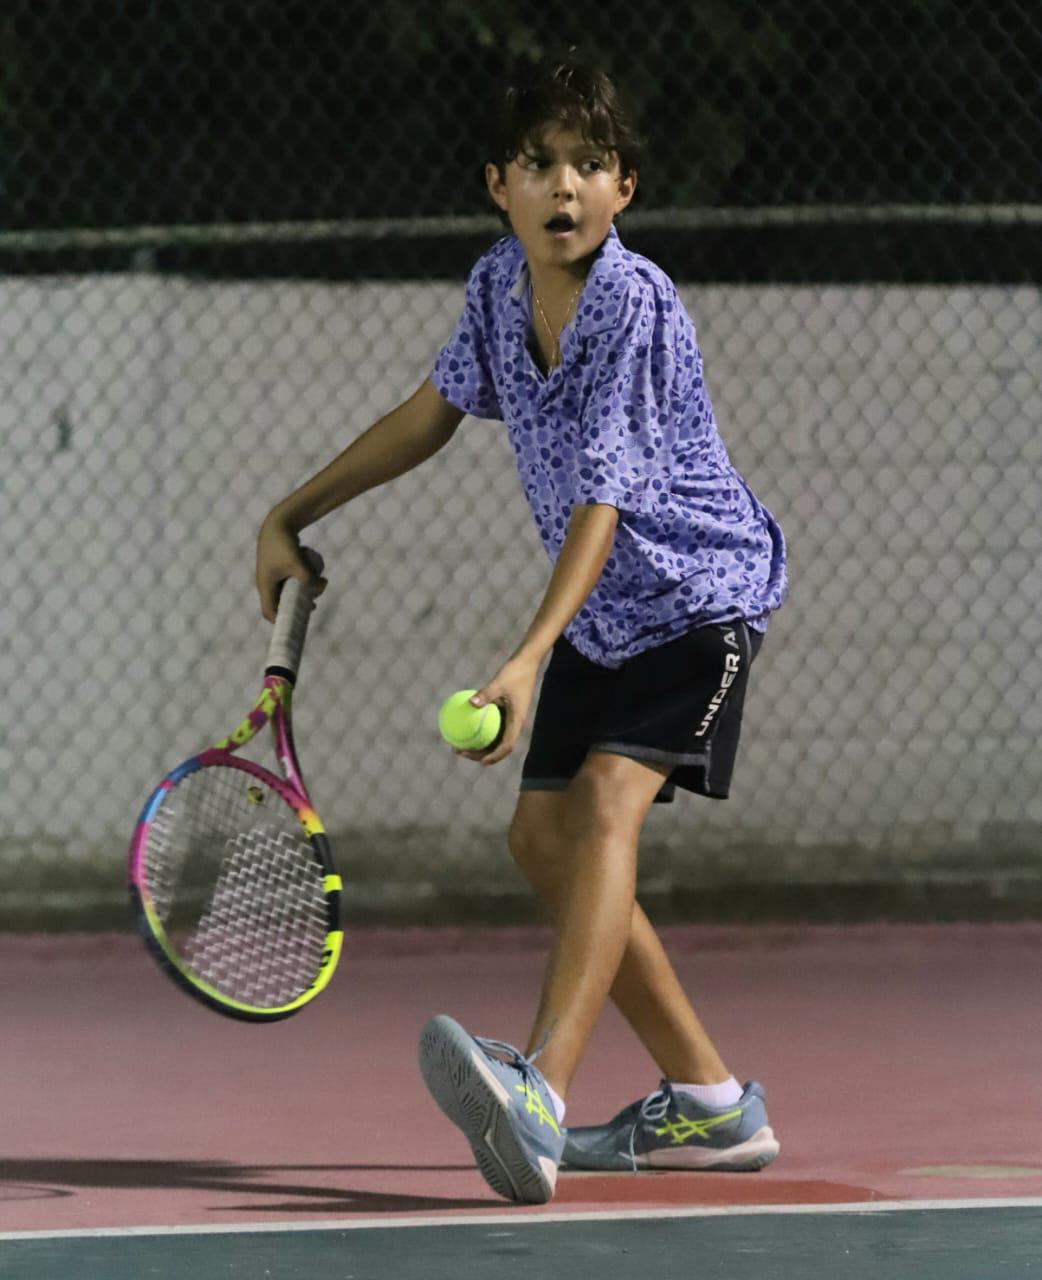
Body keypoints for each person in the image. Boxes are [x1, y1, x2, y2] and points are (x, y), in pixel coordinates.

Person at [256, 56, 787, 1206]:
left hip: (698, 598)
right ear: (497, 184)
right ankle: (710, 1100)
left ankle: (538, 1090)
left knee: (602, 806)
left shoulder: (634, 304)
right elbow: (429, 412)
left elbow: (603, 496)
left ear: (624, 189)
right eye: (540, 163)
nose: (565, 185)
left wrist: (525, 653)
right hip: (600, 620)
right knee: (540, 842)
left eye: (590, 165)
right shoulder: (499, 287)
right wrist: (289, 510)